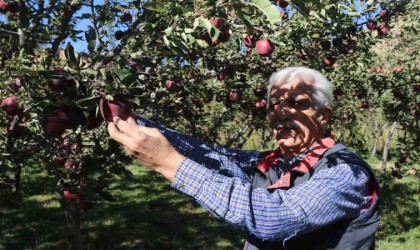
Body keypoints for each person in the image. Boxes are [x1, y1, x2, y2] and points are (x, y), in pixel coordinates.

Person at [107, 66, 380, 250]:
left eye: (297, 103)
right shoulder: (272, 163)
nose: (282, 112)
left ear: (324, 115)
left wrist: (168, 163)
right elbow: (208, 154)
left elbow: (276, 217)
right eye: (275, 104)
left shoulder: (346, 172)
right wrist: (132, 121)